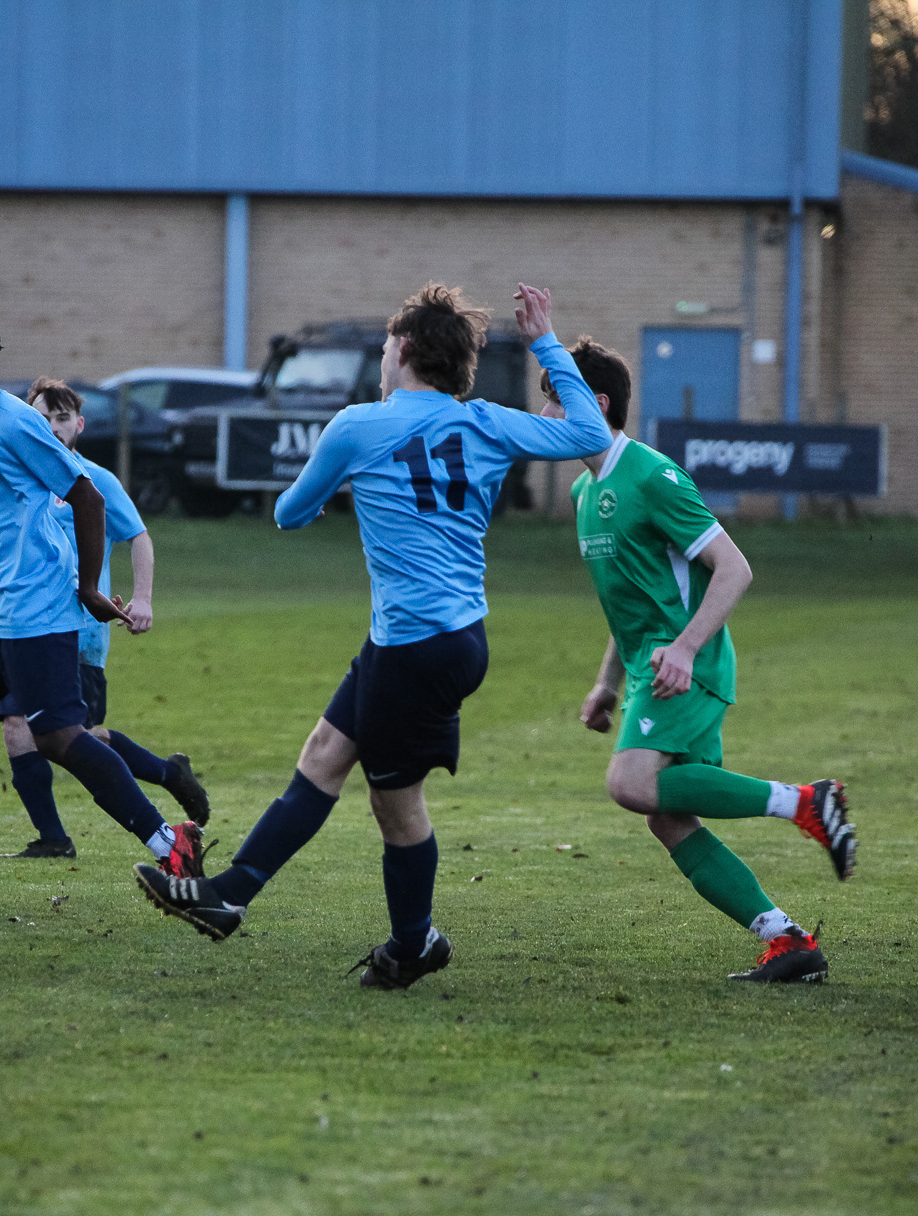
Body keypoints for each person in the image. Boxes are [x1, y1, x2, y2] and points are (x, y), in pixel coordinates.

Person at [133, 281, 612, 987]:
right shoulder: (487, 422)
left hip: (414, 648)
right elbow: (592, 434)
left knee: (396, 805)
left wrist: (338, 488)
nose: (385, 357)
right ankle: (232, 896)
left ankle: (409, 943)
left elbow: (289, 513)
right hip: (445, 639)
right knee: (325, 754)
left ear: (405, 349)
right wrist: (545, 341)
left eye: (388, 346)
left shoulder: (358, 426)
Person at [546, 338, 854, 982]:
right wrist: (606, 683)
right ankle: (788, 941)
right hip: (650, 669)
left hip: (689, 665)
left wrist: (685, 648)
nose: (545, 416)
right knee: (666, 818)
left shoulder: (650, 476)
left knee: (630, 785)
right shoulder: (583, 491)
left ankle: (805, 801)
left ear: (595, 403)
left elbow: (734, 567)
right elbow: (634, 601)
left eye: (555, 399)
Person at [0, 302, 201, 915]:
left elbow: (86, 496)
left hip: (42, 609)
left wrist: (88, 588)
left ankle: (171, 843)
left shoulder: (17, 422)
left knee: (57, 738)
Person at [0, 377, 209, 859]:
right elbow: (12, 539)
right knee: (19, 726)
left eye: (62, 417)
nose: (52, 426)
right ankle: (53, 838)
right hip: (23, 625)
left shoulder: (95, 481)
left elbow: (139, 537)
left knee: (73, 737)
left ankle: (166, 774)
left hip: (80, 631)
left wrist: (143, 598)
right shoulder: (24, 478)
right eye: (42, 417)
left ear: (80, 425)